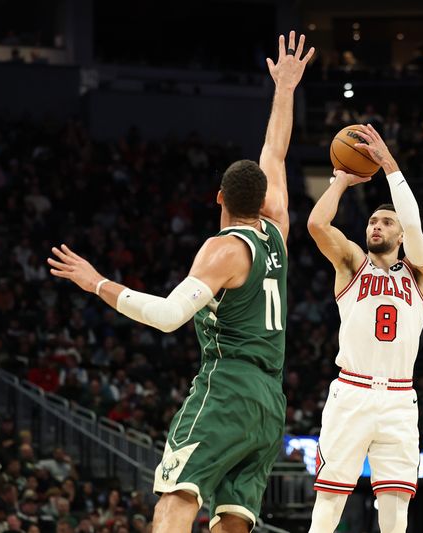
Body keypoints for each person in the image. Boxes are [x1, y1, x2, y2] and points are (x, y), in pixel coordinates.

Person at [46, 31, 314, 533]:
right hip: (271, 399)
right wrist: (285, 88)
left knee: (175, 500)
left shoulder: (223, 249)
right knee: (233, 521)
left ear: (219, 198)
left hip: (229, 386)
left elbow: (169, 317)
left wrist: (98, 282)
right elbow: (275, 150)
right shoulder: (277, 228)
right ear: (261, 200)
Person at [306, 124, 423, 532]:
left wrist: (389, 164)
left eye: (386, 221)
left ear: (399, 235)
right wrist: (342, 180)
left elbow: (414, 225)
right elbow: (317, 225)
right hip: (352, 392)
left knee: (396, 511)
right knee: (329, 502)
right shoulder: (351, 264)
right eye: (372, 221)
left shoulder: (419, 274)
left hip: (399, 399)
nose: (376, 225)